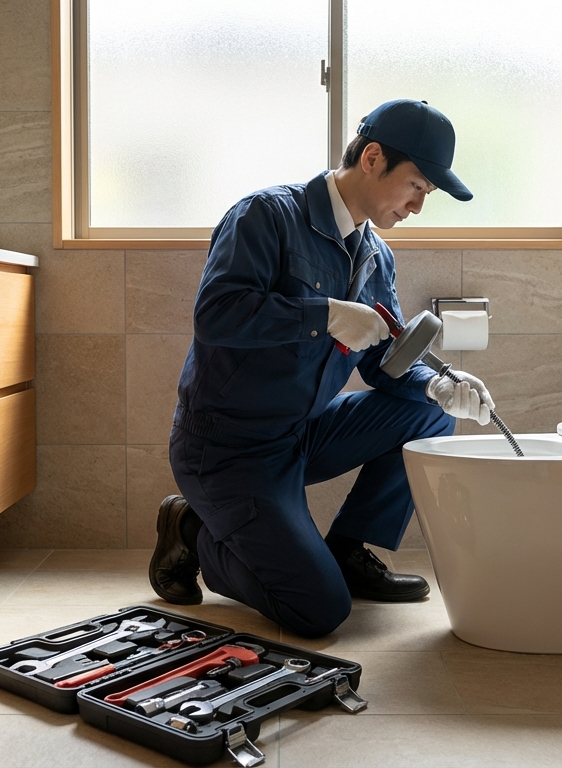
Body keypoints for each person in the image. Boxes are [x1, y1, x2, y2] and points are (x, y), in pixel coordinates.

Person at [148, 99, 495, 638]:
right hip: (229, 449)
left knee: (427, 417)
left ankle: (349, 550)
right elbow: (216, 315)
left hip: (301, 433)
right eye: (418, 187)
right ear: (374, 158)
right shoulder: (266, 216)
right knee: (319, 610)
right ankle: (192, 531)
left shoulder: (376, 256)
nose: (418, 207)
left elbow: (385, 362)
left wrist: (437, 387)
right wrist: (326, 315)